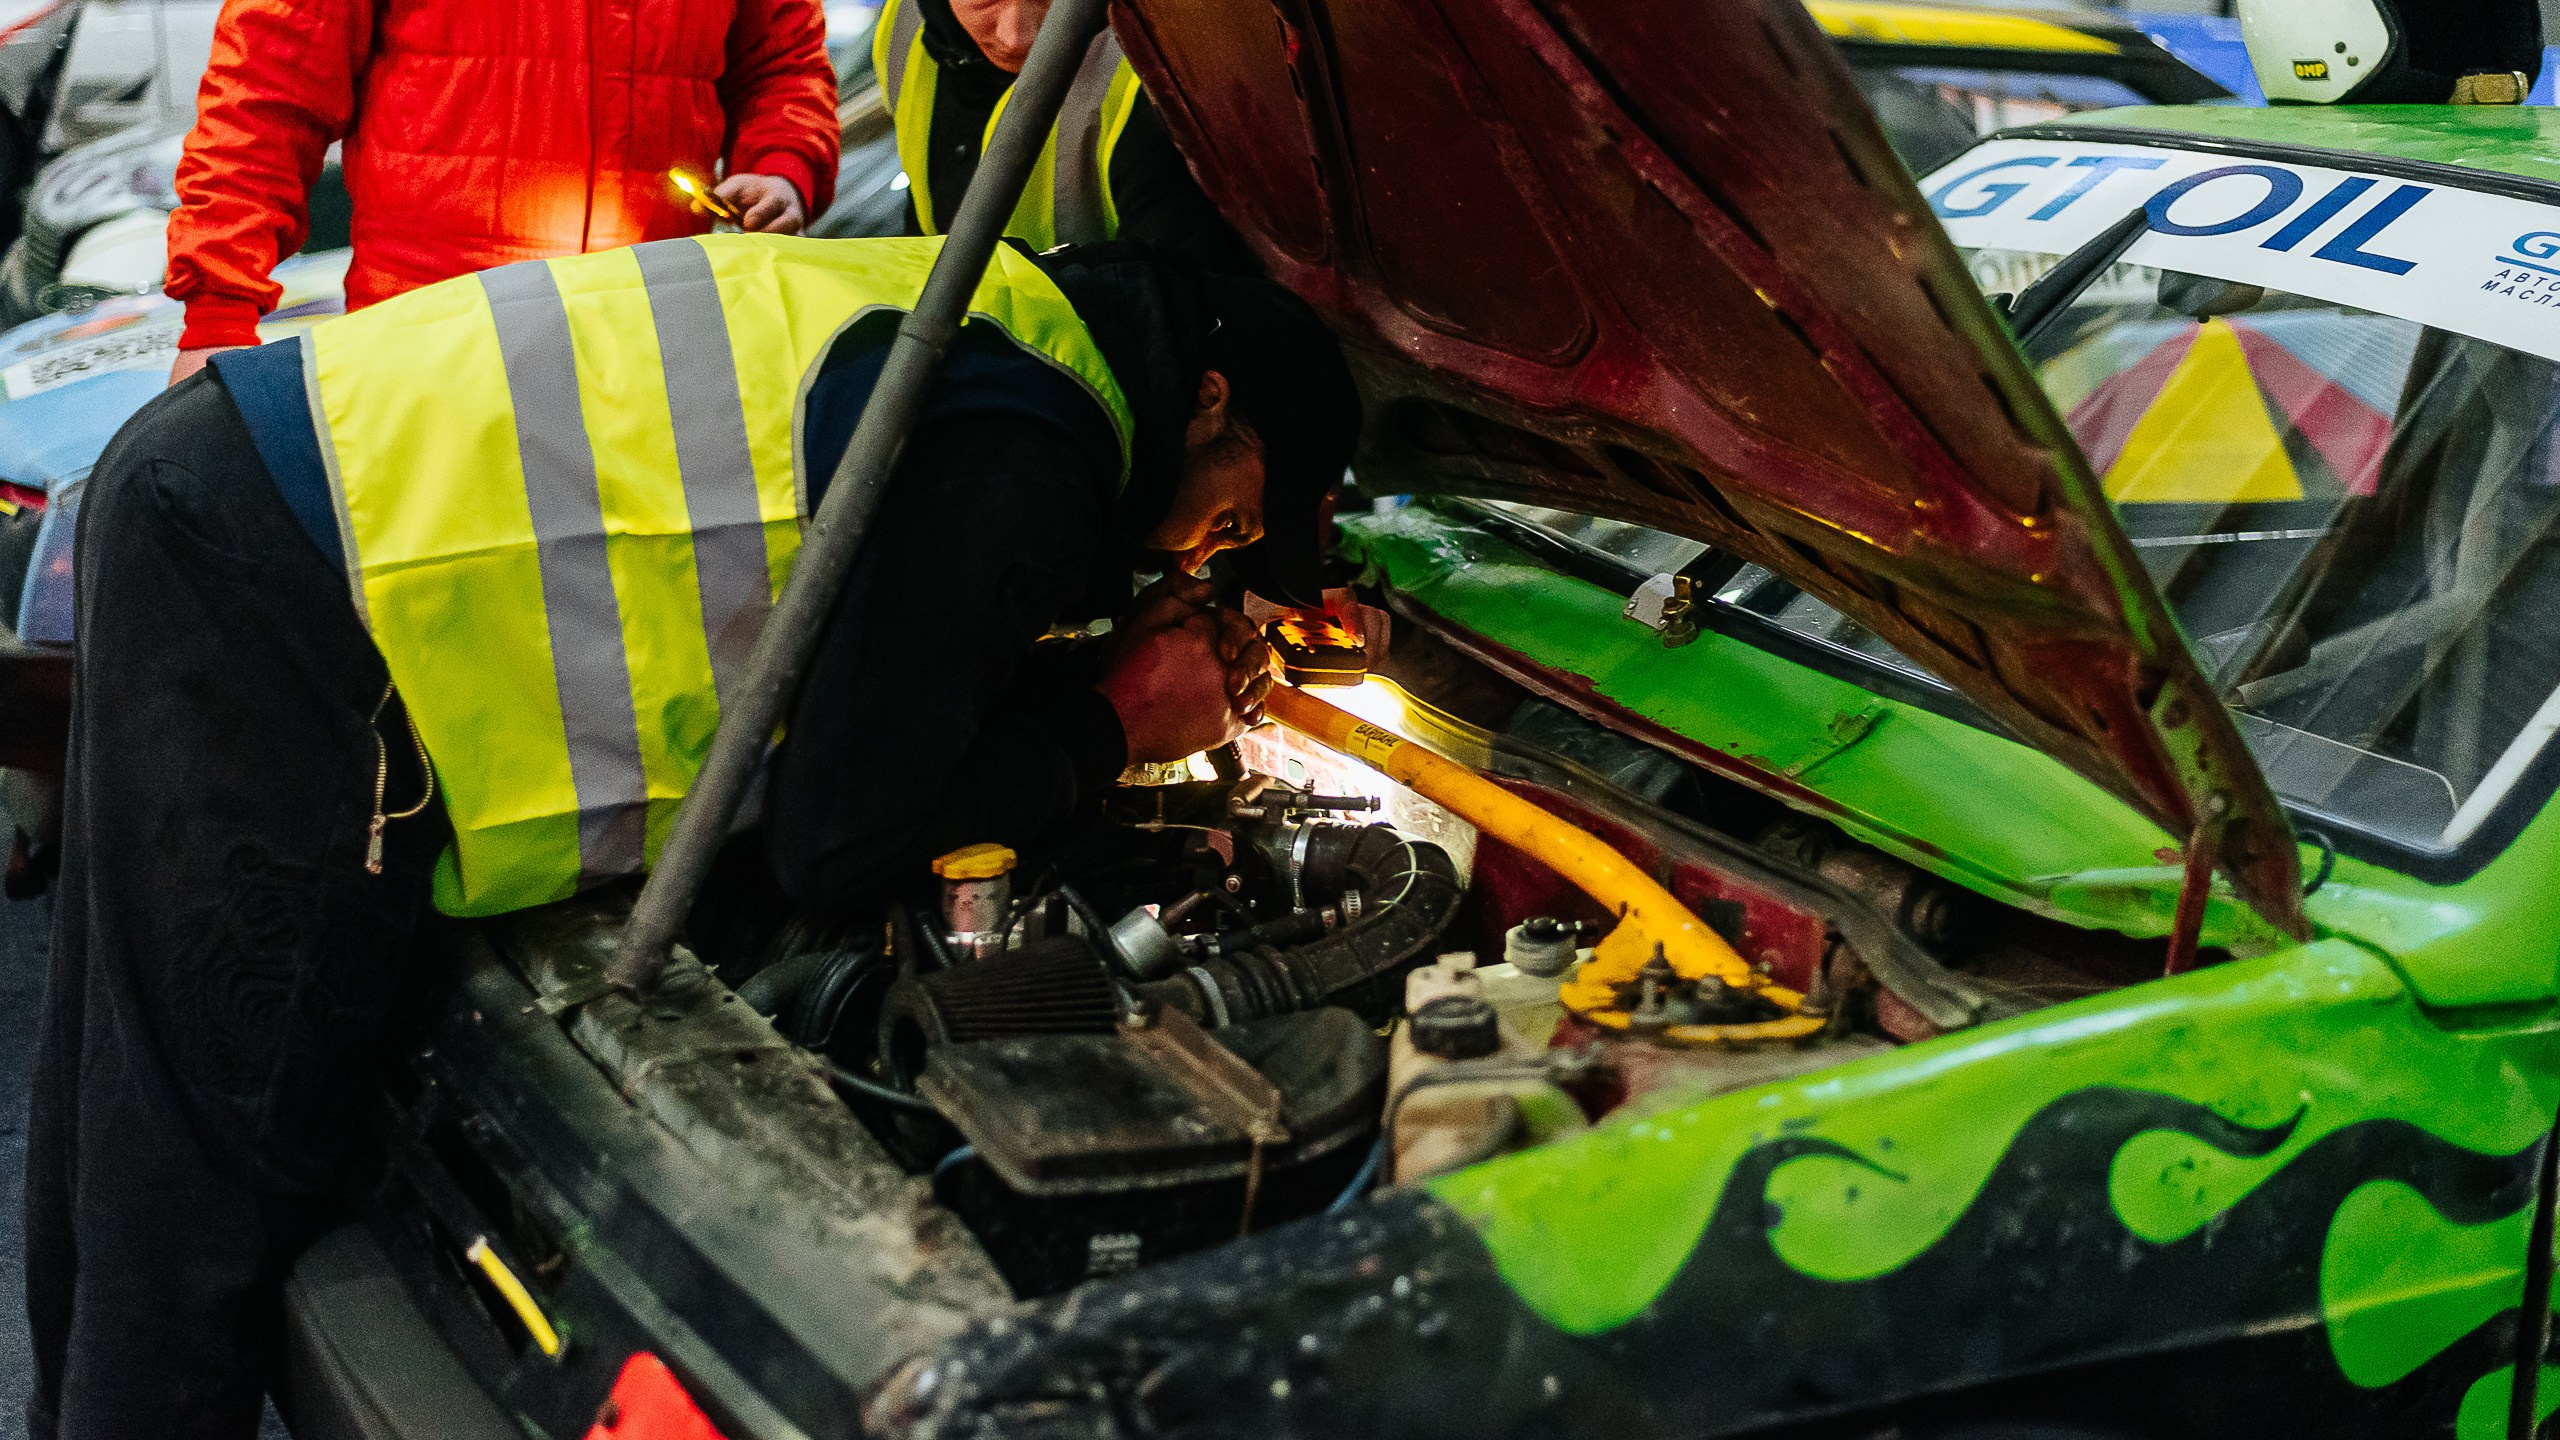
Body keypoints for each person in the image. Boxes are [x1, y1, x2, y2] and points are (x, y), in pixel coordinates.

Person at [22, 231, 1360, 1440]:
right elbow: (845, 840)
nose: (1199, 556)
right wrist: (1113, 725)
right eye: (1229, 516)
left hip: (234, 486)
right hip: (305, 581)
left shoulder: (1010, 316)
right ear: (1206, 399)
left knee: (132, 1102)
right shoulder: (1027, 442)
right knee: (209, 1171)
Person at [161, 0, 844, 384]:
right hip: (432, 358)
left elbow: (784, 66)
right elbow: (266, 99)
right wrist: (218, 317)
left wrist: (782, 165)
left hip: (650, 359)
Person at [875, 0, 1253, 270]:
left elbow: (1187, 292)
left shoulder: (1152, 73)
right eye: (986, 1)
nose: (1016, 37)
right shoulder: (903, 22)